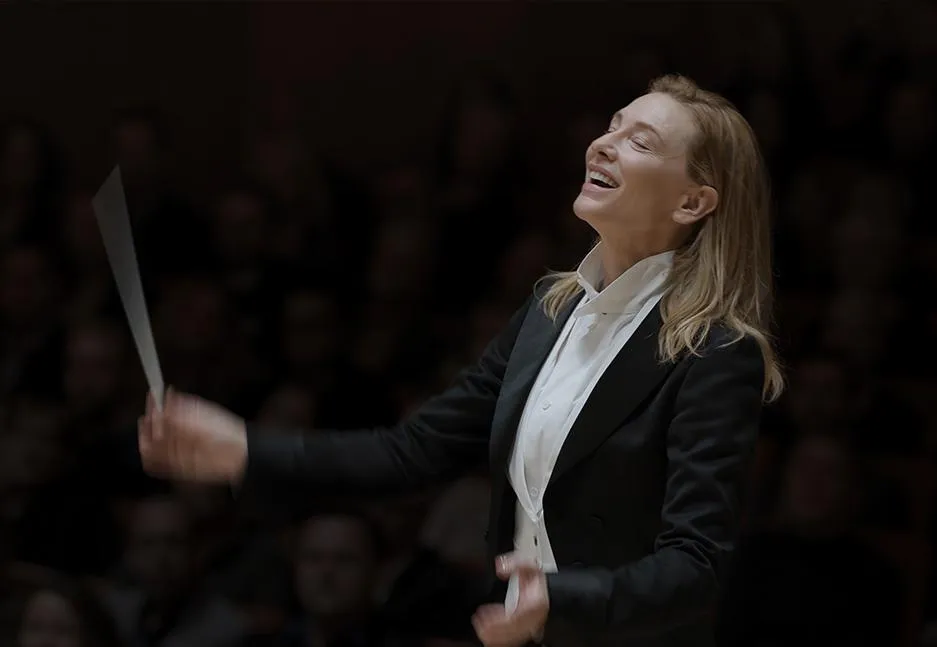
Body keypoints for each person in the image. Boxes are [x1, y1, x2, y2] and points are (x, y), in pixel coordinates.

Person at [139, 74, 784, 647]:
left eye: (639, 142)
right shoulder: (550, 311)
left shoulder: (716, 350)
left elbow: (696, 563)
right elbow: (414, 451)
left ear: (692, 203)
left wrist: (560, 597)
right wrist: (245, 450)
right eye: (612, 126)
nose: (602, 145)